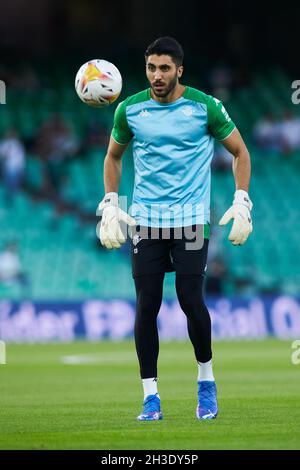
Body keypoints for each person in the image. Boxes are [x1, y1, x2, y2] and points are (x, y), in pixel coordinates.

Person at [97, 37, 253, 421]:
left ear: (179, 70)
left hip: (191, 220)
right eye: (151, 68)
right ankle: (151, 397)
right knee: (146, 304)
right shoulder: (129, 110)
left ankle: (206, 382)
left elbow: (240, 152)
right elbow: (113, 157)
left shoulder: (204, 107)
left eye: (165, 68)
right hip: (146, 221)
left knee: (189, 298)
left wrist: (242, 198)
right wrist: (111, 201)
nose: (157, 75)